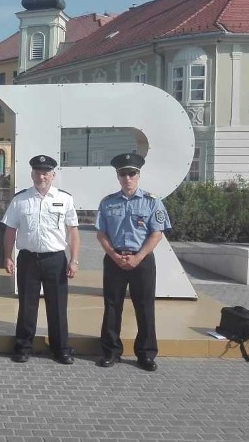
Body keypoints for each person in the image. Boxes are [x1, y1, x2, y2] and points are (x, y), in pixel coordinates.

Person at [96, 153, 170, 372]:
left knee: (145, 307)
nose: (127, 178)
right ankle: (110, 351)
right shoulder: (108, 202)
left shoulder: (152, 201)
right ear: (118, 176)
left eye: (132, 173)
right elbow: (101, 234)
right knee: (112, 307)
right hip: (114, 259)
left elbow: (157, 234)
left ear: (138, 175)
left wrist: (138, 257)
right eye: (123, 174)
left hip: (143, 260)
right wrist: (115, 256)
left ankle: (146, 354)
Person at [3, 155, 79, 365]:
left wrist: (74, 260)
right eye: (37, 172)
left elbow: (72, 231)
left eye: (46, 172)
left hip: (55, 259)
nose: (41, 176)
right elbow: (10, 230)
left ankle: (60, 348)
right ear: (32, 174)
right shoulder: (21, 199)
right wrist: (7, 257)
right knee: (27, 305)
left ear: (53, 175)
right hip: (28, 259)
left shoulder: (65, 199)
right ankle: (23, 347)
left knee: (57, 306)